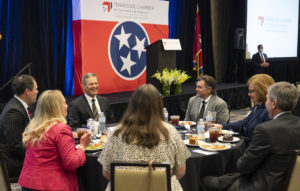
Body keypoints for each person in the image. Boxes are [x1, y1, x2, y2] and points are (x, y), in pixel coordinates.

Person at [203, 81, 300, 191]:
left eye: (267, 99)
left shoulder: (266, 130)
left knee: (204, 181)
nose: (266, 103)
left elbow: (243, 166)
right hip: (287, 183)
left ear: (274, 103)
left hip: (261, 185)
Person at [98, 84, 191, 191]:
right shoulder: (170, 132)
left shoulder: (117, 132)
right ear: (159, 105)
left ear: (132, 104)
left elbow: (106, 172)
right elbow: (181, 172)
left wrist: (131, 184)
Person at [18, 90, 92, 191]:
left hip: (28, 183)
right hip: (51, 185)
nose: (67, 106)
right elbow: (71, 163)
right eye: (65, 103)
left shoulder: (35, 128)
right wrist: (83, 146)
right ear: (57, 107)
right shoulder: (61, 129)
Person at [215, 74, 275, 145]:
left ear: (262, 90)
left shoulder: (269, 111)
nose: (248, 94)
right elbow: (244, 122)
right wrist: (222, 126)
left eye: (251, 91)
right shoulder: (257, 106)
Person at [0, 74, 38, 178]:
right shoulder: (14, 111)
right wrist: (37, 153)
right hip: (16, 165)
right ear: (27, 91)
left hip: (23, 159)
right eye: (36, 89)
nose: (37, 92)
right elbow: (14, 146)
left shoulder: (23, 106)